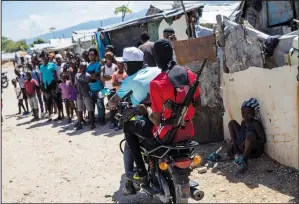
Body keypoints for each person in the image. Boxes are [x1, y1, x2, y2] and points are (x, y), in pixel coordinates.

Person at [123, 39, 201, 183]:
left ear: (156, 58)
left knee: (128, 126)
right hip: (188, 130)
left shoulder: (157, 82)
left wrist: (145, 109)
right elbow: (198, 103)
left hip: (166, 134)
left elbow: (157, 120)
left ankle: (141, 172)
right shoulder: (191, 75)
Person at [108, 47, 161, 193]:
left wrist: (109, 105)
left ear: (129, 64)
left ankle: (139, 176)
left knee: (127, 132)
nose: (123, 67)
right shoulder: (156, 70)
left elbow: (113, 102)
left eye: (125, 64)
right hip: (166, 117)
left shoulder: (130, 80)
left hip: (147, 119)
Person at [227, 98, 266, 172]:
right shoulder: (243, 122)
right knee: (232, 123)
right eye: (243, 113)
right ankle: (236, 149)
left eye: (248, 113)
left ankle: (244, 160)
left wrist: (245, 142)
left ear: (254, 113)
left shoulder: (255, 123)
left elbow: (263, 140)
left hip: (254, 149)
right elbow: (242, 134)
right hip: (243, 145)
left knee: (250, 134)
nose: (245, 115)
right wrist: (234, 143)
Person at [39, 51, 60, 122]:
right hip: (45, 84)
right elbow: (42, 76)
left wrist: (57, 84)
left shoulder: (52, 64)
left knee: (56, 98)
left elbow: (55, 75)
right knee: (48, 100)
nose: (43, 59)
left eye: (44, 57)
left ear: (47, 58)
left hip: (52, 83)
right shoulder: (41, 67)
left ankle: (60, 114)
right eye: (42, 58)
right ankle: (50, 115)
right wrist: (41, 84)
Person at [74, 62, 95, 130]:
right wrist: (76, 91)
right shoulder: (77, 75)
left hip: (86, 94)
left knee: (90, 110)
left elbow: (84, 83)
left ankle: (92, 124)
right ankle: (80, 124)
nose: (80, 68)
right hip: (79, 95)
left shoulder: (87, 75)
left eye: (82, 67)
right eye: (80, 66)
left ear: (85, 68)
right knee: (79, 110)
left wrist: (79, 79)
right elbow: (75, 84)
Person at [110, 58, 128, 129]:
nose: (120, 66)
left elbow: (126, 85)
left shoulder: (126, 74)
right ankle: (114, 122)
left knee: (123, 110)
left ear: (123, 66)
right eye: (118, 65)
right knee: (115, 109)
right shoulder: (114, 74)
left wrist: (118, 83)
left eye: (121, 65)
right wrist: (121, 83)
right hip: (118, 94)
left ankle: (121, 124)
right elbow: (113, 85)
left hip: (125, 95)